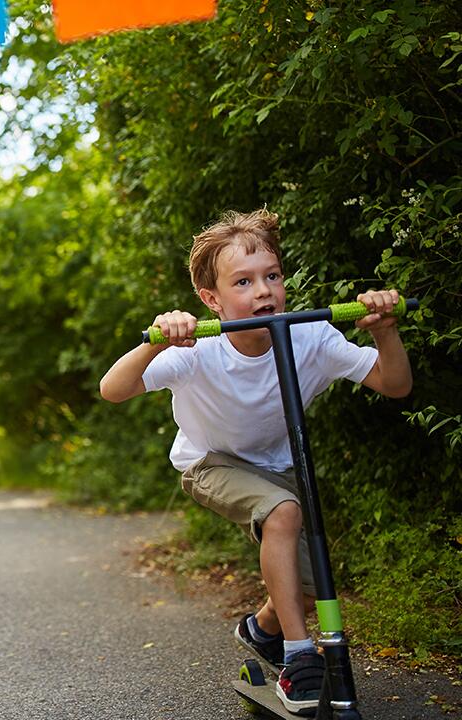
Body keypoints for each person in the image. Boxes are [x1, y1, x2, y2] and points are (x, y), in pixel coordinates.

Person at [99, 209, 412, 715]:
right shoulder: (198, 348)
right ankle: (298, 656)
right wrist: (154, 338)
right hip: (211, 463)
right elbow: (112, 390)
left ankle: (262, 630)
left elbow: (395, 384)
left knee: (309, 589)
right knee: (284, 513)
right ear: (211, 300)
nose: (263, 291)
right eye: (243, 282)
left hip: (280, 467)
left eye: (271, 276)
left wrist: (384, 331)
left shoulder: (309, 337)